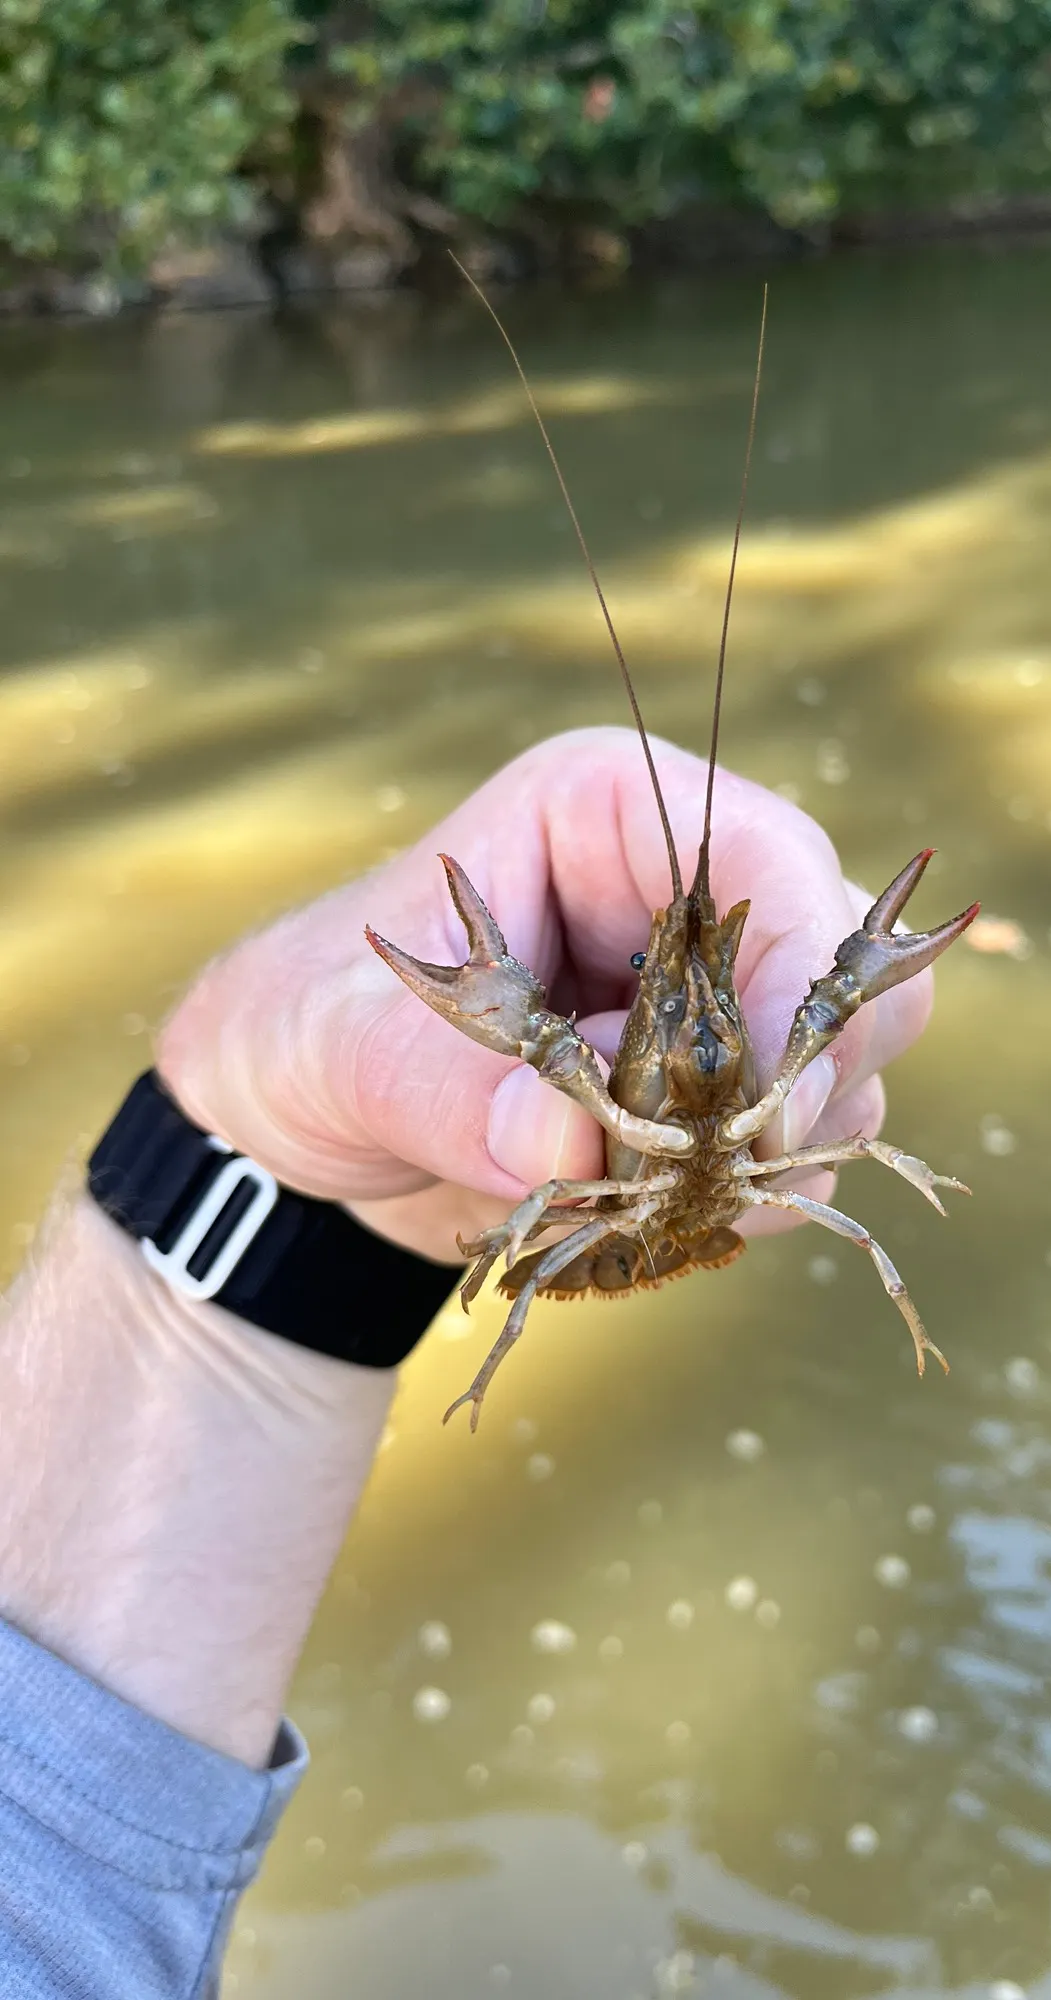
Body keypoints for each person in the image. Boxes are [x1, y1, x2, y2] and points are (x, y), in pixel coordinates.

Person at [0, 728, 938, 1999]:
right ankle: (488, 1348)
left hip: (651, 1201)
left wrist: (274, 1157)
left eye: (701, 969)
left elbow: (48, 1827)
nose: (694, 987)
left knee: (833, 1114)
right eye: (670, 976)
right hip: (614, 1225)